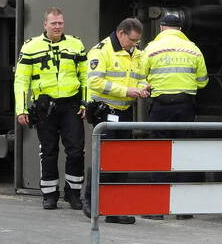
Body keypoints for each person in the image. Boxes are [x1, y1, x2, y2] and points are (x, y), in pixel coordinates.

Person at [14, 8, 88, 210]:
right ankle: (49, 194)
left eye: (60, 23)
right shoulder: (30, 47)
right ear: (44, 24)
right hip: (44, 108)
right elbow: (21, 81)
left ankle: (73, 194)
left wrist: (85, 103)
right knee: (48, 152)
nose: (57, 26)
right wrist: (21, 109)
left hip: (71, 105)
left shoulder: (75, 44)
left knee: (75, 151)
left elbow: (85, 77)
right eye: (53, 23)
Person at [139, 12, 209, 220]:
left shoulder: (150, 49)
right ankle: (183, 209)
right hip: (185, 106)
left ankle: (156, 209)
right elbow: (203, 81)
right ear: (180, 29)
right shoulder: (194, 49)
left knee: (158, 153)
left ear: (161, 28)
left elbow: (141, 79)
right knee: (184, 153)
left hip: (160, 106)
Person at [82, 17, 149, 224]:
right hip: (106, 112)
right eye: (132, 40)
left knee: (121, 161)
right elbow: (94, 82)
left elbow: (142, 75)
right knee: (103, 159)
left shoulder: (137, 53)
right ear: (121, 34)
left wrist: (143, 87)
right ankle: (89, 201)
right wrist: (126, 91)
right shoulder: (101, 51)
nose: (135, 44)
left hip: (125, 111)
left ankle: (115, 208)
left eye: (137, 41)